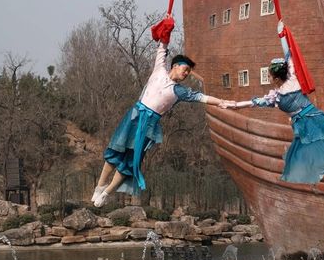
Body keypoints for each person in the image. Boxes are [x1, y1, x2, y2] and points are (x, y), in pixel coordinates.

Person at [229, 23, 324, 198]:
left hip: (305, 129)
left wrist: (235, 105)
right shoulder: (295, 80)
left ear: (274, 77)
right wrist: (281, 35)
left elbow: (254, 102)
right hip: (319, 118)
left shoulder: (276, 97)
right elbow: (289, 54)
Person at [92, 40, 231, 206]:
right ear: (176, 66)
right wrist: (166, 29)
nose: (186, 74)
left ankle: (107, 193)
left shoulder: (179, 91)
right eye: (185, 69)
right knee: (116, 149)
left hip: (149, 125)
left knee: (131, 162)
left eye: (188, 72)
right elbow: (162, 48)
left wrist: (221, 102)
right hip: (134, 115)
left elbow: (202, 97)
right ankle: (100, 186)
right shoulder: (159, 71)